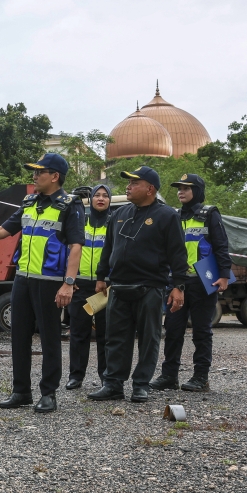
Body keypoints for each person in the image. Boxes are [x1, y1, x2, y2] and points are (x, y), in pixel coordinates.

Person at [0, 153, 84, 413]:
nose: (34, 176)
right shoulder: (30, 202)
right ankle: (21, 391)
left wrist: (68, 283)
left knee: (49, 338)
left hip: (50, 281)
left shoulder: (69, 205)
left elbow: (76, 246)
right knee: (19, 337)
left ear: (54, 176)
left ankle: (48, 394)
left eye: (39, 172)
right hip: (23, 279)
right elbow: (3, 231)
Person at [88, 166, 189, 404]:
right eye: (129, 182)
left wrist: (179, 286)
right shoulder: (120, 214)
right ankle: (113, 384)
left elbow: (178, 254)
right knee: (115, 339)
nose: (129, 186)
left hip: (150, 287)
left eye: (135, 182)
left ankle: (141, 385)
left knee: (149, 338)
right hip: (119, 286)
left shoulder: (167, 216)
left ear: (150, 189)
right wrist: (101, 276)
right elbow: (108, 248)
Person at [150, 174, 232, 392]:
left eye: (187, 188)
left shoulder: (209, 214)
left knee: (201, 331)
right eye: (179, 188)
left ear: (197, 190)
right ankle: (169, 376)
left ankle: (201, 377)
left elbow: (221, 246)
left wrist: (224, 274)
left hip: (203, 280)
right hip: (177, 282)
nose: (181, 191)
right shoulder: (173, 216)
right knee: (173, 329)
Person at [66, 183, 113, 390]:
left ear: (110, 201)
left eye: (105, 196)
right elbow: (66, 251)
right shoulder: (80, 222)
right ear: (91, 199)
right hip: (80, 286)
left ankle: (106, 377)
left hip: (104, 289)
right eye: (97, 195)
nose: (101, 199)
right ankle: (76, 376)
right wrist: (69, 279)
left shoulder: (114, 223)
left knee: (106, 335)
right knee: (78, 334)